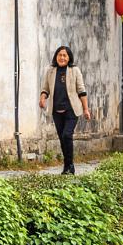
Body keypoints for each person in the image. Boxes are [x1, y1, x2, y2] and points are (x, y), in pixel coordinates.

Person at [38, 45, 91, 175]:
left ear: (69, 58)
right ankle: (67, 166)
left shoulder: (74, 70)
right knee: (62, 139)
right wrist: (42, 98)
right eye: (60, 55)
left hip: (71, 110)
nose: (62, 57)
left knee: (67, 135)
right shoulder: (50, 71)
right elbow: (45, 88)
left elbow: (81, 91)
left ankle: (70, 165)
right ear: (56, 57)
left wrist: (86, 109)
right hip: (56, 110)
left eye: (64, 55)